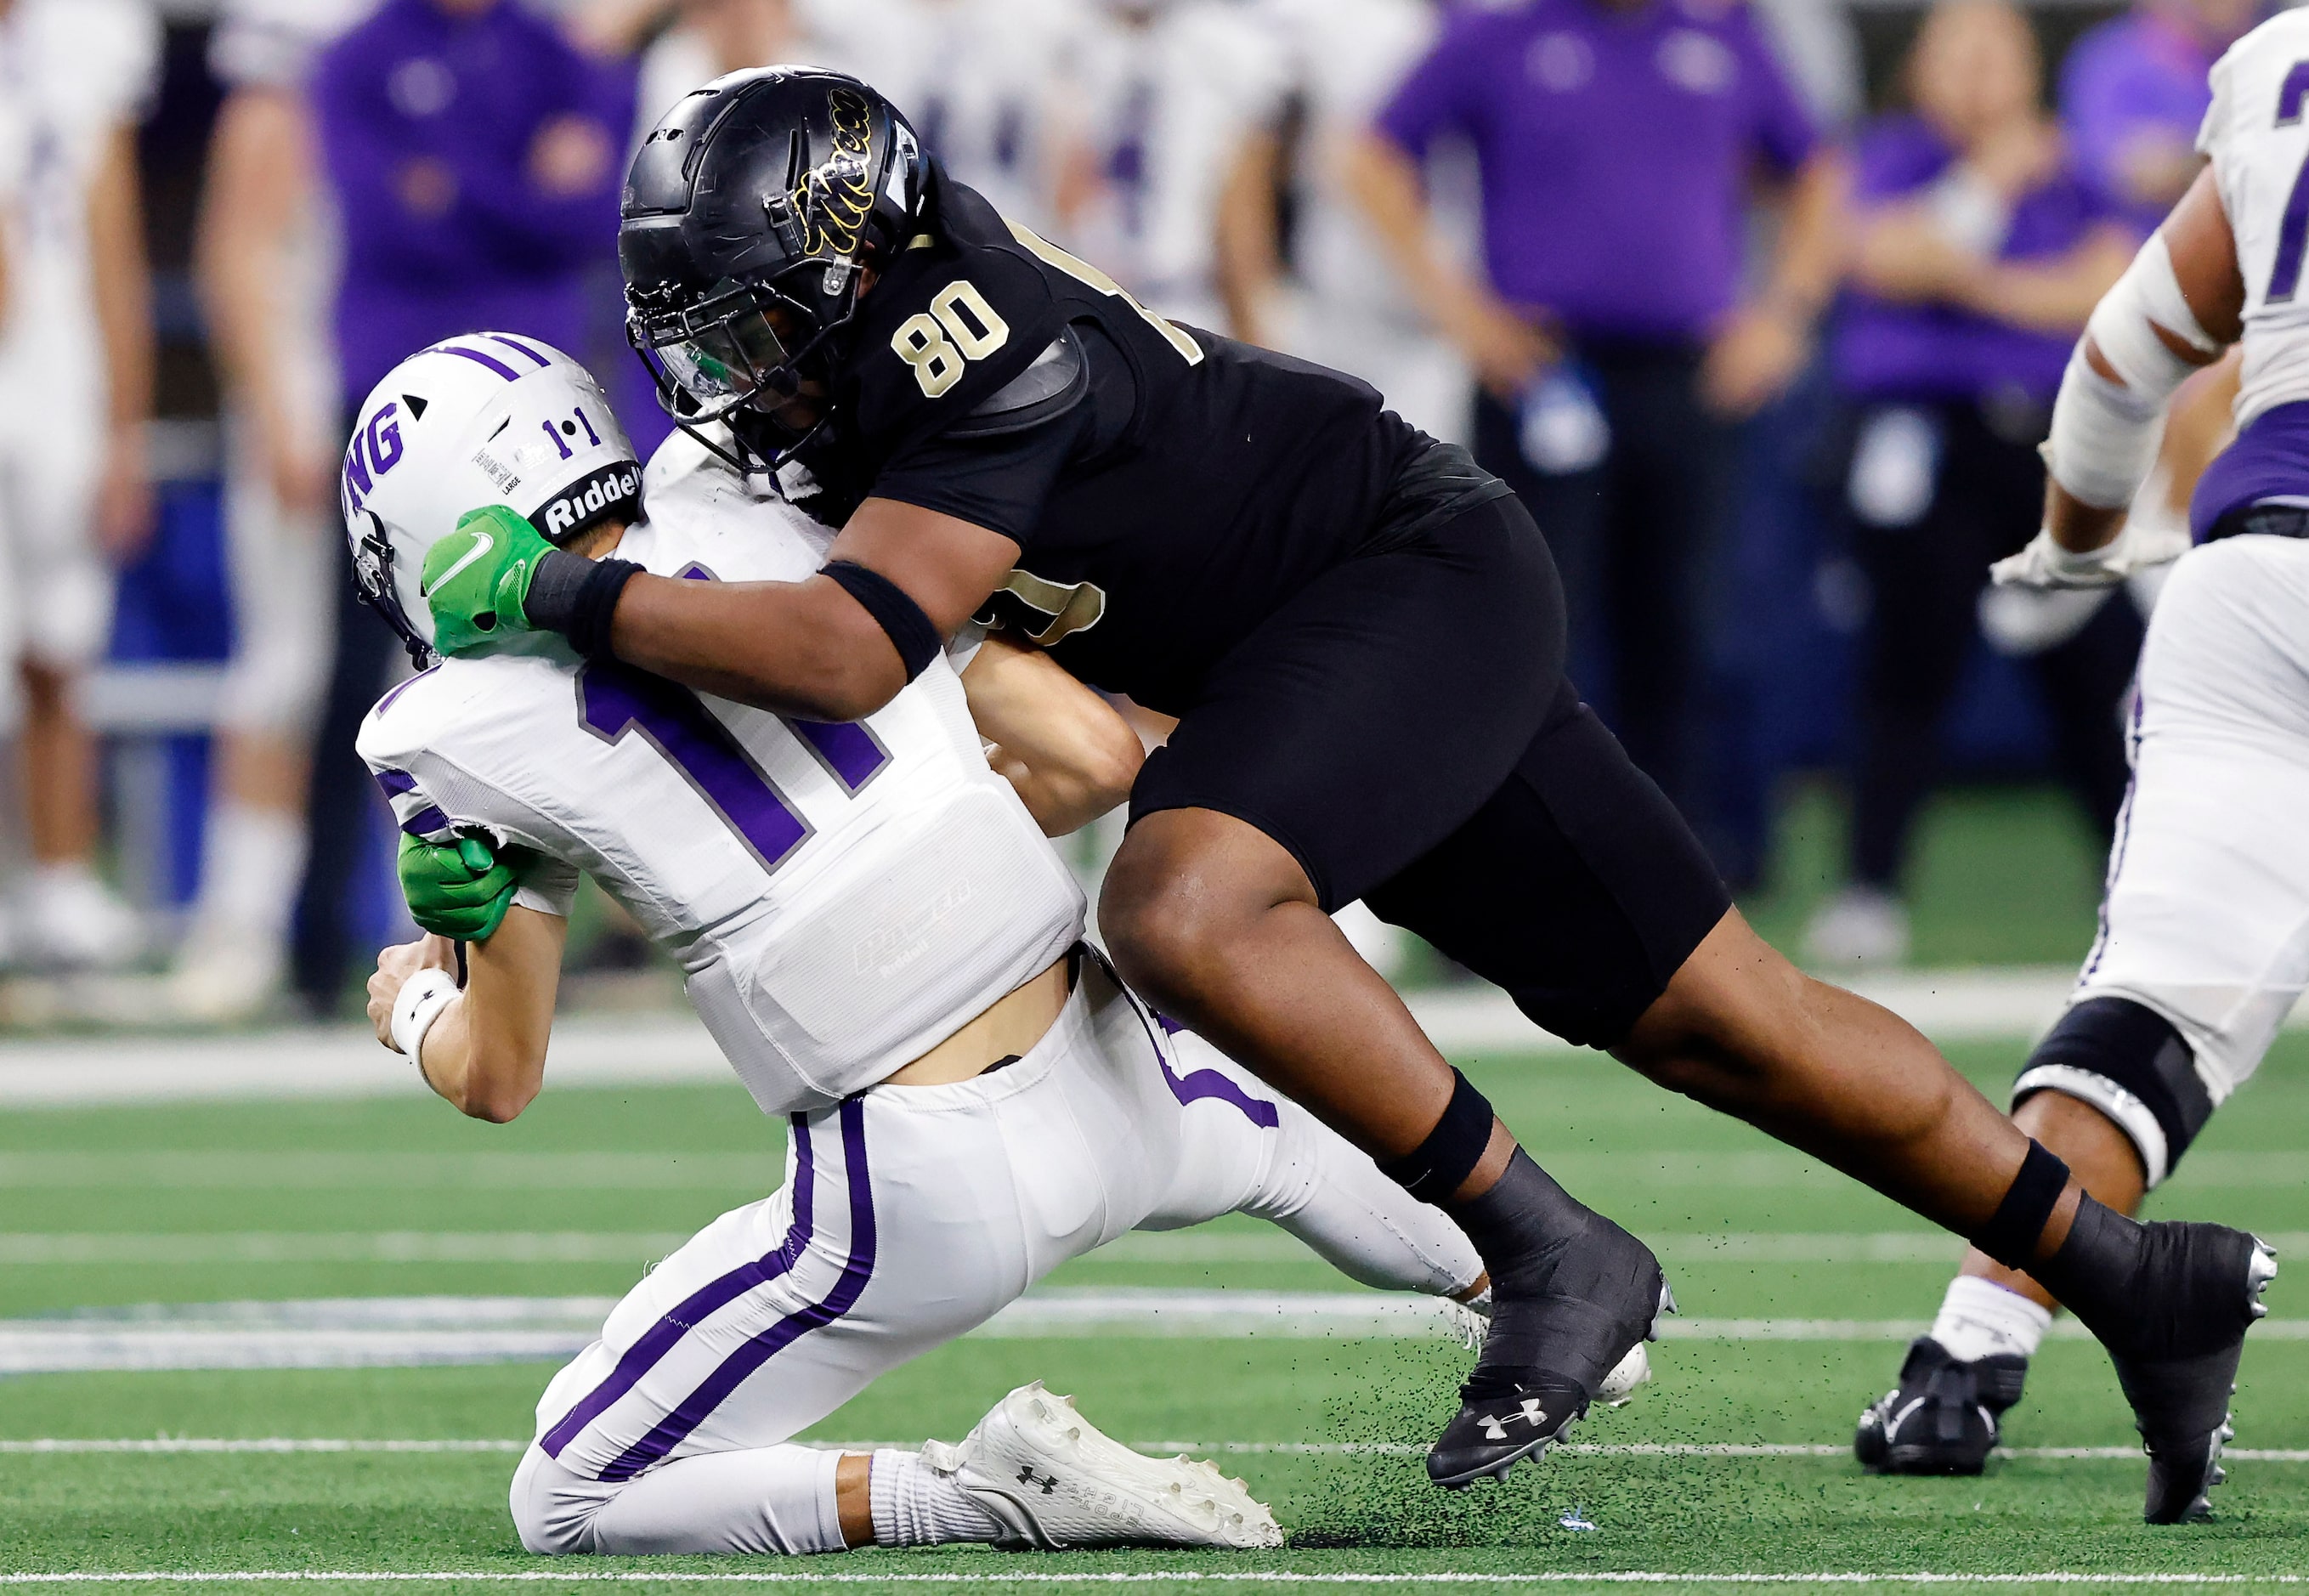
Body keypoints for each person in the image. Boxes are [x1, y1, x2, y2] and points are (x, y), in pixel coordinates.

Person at [406, 69, 2272, 1514]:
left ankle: (1550, 1252)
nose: (726, 369)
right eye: (696, 326)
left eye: (751, 321)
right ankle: (2133, 1281)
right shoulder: (867, 331)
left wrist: (564, 592)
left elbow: (850, 649)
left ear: (863, 269)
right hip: (1313, 648)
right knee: (1729, 1020)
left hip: (1395, 577)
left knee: (1181, 904)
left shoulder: (957, 328)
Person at [346, 336, 1489, 1555]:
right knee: (1285, 1137)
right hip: (1134, 1081)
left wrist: (413, 1005)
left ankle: (976, 1489)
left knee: (567, 1496)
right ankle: (1531, 1285)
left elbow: (498, 1075)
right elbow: (1096, 757)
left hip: (911, 1193)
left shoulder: (441, 733)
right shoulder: (761, 497)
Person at [1858, 4, 2305, 1497]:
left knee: (2150, 1002)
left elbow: (2123, 352)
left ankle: (1962, 1355)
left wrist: (2069, 548)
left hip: (2249, 580)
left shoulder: (2277, 59)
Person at [1350, 0, 1842, 820]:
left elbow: (1819, 170)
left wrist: (1785, 313)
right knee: (1530, 630)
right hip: (1545, 370)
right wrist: (1460, 311)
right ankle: (1511, 878)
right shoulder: (1502, 34)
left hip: (1689, 373)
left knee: (1687, 631)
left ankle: (1682, 892)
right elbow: (1371, 158)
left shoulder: (1720, 37)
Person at [293, 0, 633, 1011]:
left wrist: (456, 186)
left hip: (521, 421)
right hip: (391, 420)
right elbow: (386, 217)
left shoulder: (555, 56)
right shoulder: (359, 57)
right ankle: (316, 948)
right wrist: (518, 186)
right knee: (357, 672)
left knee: (544, 667)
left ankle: (534, 961)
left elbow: (583, 224)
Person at [1800, 0, 2144, 971]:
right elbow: (1879, 256)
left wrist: (1967, 277)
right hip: (1923, 437)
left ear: (2029, 67)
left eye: (1996, 54)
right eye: (1956, 54)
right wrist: (1985, 188)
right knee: (1907, 668)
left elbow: (2106, 285)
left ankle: (2133, 889)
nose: (1977, 76)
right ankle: (1870, 890)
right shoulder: (1889, 154)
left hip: (2050, 441)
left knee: (2094, 670)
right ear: (1917, 68)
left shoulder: (2072, 166)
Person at [178, 0, 374, 1018]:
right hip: (311, 403)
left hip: (378, 403)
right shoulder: (291, 70)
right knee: (287, 670)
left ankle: (351, 918)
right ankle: (241, 919)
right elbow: (238, 252)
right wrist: (281, 404)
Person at [0, 0, 159, 971]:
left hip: (57, 382)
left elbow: (112, 245)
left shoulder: (81, 45)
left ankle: (58, 882)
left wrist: (126, 429)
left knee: (61, 643)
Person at [1050, 0, 1287, 340]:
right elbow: (1240, 233)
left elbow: (1063, 200)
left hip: (1094, 309)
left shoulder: (1074, 41)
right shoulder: (1236, 47)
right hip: (1173, 311)